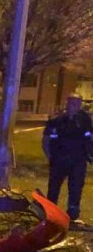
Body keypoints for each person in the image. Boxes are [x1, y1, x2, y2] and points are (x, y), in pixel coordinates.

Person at [43, 93, 92, 225]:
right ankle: (50, 215)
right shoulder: (56, 119)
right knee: (53, 188)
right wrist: (50, 156)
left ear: (80, 104)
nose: (74, 106)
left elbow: (90, 137)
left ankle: (73, 216)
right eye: (71, 103)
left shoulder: (85, 120)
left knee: (76, 188)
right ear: (67, 103)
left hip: (78, 161)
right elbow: (47, 139)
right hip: (59, 160)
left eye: (77, 103)